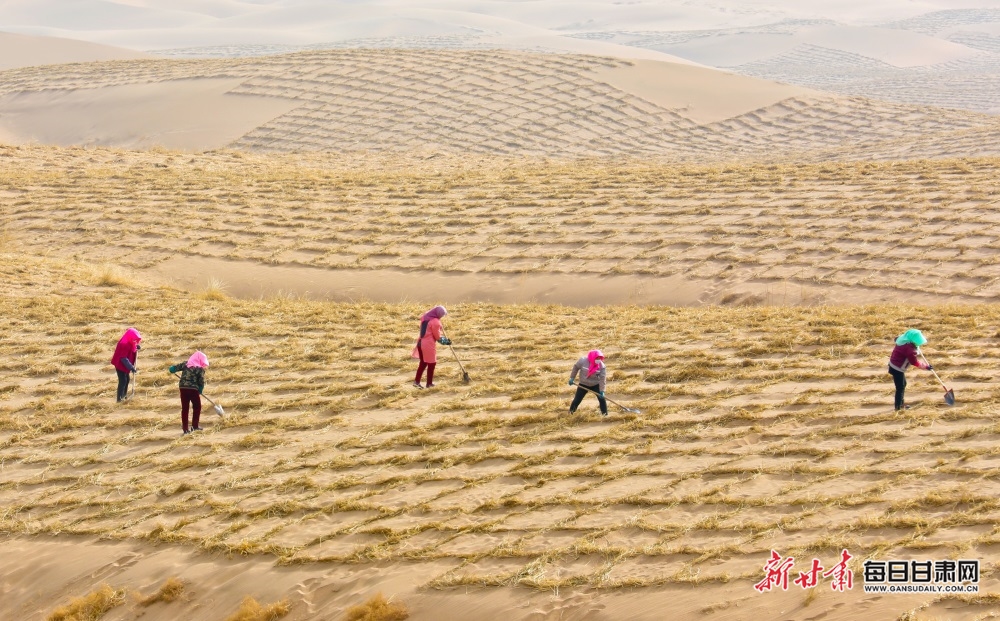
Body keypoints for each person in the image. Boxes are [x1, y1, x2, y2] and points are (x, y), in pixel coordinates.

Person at [888, 329, 932, 411]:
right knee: (900, 388)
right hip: (897, 369)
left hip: (893, 365)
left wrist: (915, 346)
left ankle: (901, 404)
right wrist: (926, 367)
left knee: (903, 384)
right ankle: (898, 408)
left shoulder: (903, 340)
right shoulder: (910, 350)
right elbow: (914, 362)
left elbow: (896, 339)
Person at [169, 351, 209, 435]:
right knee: (197, 407)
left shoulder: (186, 364)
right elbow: (201, 381)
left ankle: (185, 429)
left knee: (185, 408)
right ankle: (195, 426)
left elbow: (173, 368)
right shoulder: (200, 369)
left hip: (183, 388)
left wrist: (172, 369)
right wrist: (200, 389)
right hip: (193, 389)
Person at [412, 305, 451, 388]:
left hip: (420, 342)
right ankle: (429, 384)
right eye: (442, 315)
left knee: (423, 362)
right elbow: (437, 337)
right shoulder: (435, 322)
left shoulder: (426, 317)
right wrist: (446, 341)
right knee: (432, 363)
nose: (442, 316)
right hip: (428, 345)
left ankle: (417, 381)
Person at [569, 349, 608, 416]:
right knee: (577, 400)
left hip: (595, 384)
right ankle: (570, 413)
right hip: (583, 384)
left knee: (602, 399)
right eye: (597, 358)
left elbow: (602, 379)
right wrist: (572, 377)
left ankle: (605, 415)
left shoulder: (602, 366)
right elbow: (576, 367)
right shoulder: (583, 361)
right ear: (592, 357)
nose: (598, 360)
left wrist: (602, 390)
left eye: (600, 358)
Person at [110, 327, 142, 402]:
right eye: (134, 339)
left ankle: (124, 396)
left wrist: (136, 346)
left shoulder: (129, 340)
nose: (135, 341)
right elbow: (123, 358)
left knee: (127, 379)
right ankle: (119, 399)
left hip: (125, 365)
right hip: (120, 365)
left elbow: (132, 346)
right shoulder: (124, 344)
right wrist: (131, 367)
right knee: (123, 381)